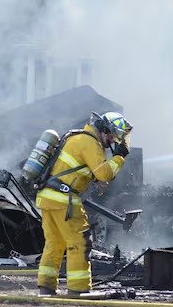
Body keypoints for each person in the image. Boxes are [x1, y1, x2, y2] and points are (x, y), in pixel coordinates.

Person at [36, 111, 131, 297]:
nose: (113, 141)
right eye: (112, 136)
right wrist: (119, 157)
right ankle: (78, 289)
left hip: (48, 197)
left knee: (54, 243)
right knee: (80, 243)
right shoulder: (89, 142)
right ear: (104, 130)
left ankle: (46, 288)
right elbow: (104, 174)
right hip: (65, 201)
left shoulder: (77, 138)